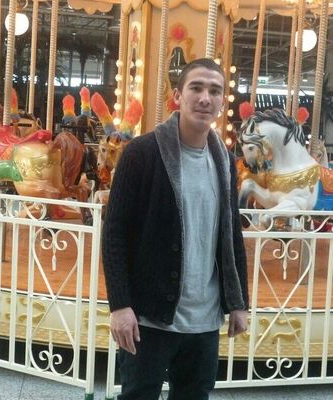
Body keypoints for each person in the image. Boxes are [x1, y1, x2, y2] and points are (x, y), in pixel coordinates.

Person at [102, 57, 249, 400]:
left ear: (222, 101)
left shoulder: (225, 162)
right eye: (196, 88)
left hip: (205, 318)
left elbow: (231, 233)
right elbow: (115, 232)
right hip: (150, 316)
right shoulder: (142, 153)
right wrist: (120, 305)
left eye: (215, 91)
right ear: (178, 96)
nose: (205, 98)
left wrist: (238, 301)